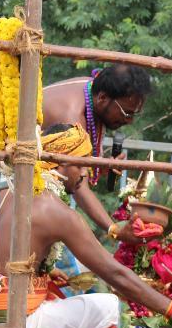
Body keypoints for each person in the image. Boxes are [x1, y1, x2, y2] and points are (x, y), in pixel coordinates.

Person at [0, 124, 172, 328]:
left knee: (58, 301)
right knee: (107, 306)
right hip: (8, 325)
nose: (85, 174)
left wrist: (47, 273)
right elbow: (114, 273)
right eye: (81, 164)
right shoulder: (54, 210)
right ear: (60, 163)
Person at [42, 64, 152, 244]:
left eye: (134, 114)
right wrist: (115, 229)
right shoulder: (72, 118)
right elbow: (79, 187)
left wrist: (99, 167)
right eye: (127, 113)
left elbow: (76, 169)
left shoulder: (93, 91)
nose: (129, 121)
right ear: (102, 97)